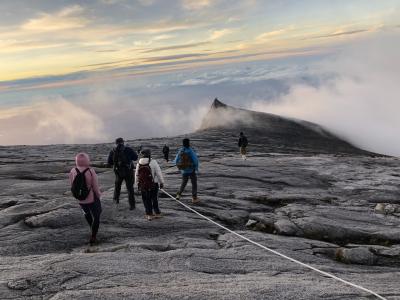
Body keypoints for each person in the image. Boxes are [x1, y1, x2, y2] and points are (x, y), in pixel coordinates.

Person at [69, 152, 102, 245]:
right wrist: (98, 195)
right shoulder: (90, 171)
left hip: (80, 198)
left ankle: (92, 229)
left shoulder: (73, 170)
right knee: (97, 215)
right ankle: (93, 236)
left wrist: (77, 195)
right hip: (91, 198)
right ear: (87, 160)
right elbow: (95, 186)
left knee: (87, 213)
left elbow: (72, 185)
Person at [107, 137, 138, 210]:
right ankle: (132, 205)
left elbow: (109, 162)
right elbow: (135, 158)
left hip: (118, 172)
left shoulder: (113, 151)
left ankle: (116, 201)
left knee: (117, 186)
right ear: (123, 142)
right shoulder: (128, 149)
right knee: (130, 188)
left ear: (116, 143)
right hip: (128, 171)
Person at [135, 149, 165, 221]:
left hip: (143, 185)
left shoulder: (139, 163)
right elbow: (158, 173)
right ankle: (157, 213)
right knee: (154, 199)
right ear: (149, 154)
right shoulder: (153, 162)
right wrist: (161, 182)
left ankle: (149, 214)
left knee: (146, 199)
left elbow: (136, 175)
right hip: (153, 184)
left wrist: (137, 184)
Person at [174, 138, 199, 203]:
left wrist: (180, 167)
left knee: (183, 183)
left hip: (184, 171)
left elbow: (176, 160)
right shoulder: (190, 150)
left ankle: (178, 195)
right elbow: (195, 160)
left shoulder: (181, 150)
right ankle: (194, 198)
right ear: (188, 143)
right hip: (191, 170)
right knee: (194, 183)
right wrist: (196, 168)